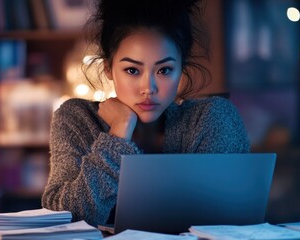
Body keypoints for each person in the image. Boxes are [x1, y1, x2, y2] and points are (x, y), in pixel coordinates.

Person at [41, 0, 250, 227]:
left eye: (164, 70)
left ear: (182, 70)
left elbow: (227, 222)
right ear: (108, 69)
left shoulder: (210, 120)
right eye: (132, 70)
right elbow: (63, 219)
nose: (148, 87)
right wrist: (119, 132)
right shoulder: (77, 119)